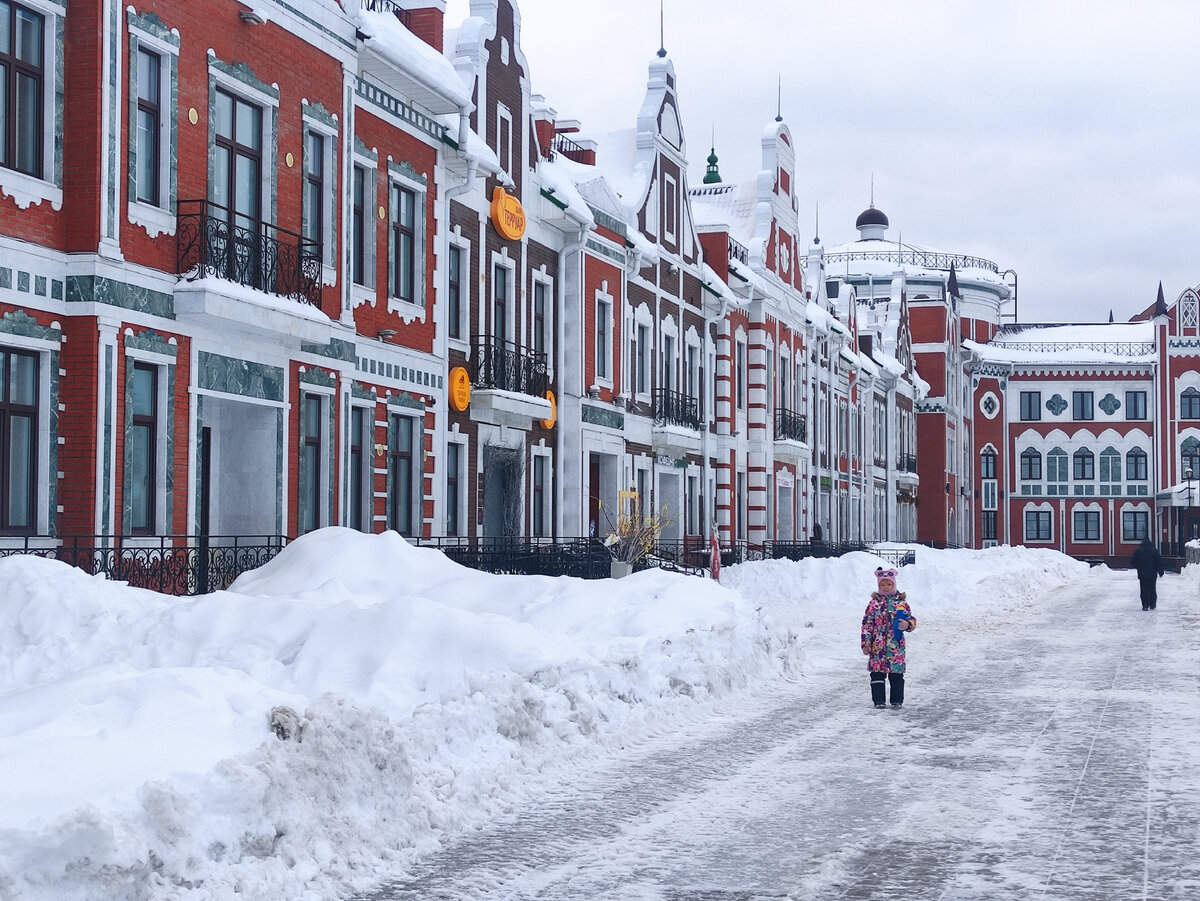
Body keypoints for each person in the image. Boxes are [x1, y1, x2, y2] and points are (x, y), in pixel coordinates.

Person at [861, 566, 917, 709]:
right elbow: (867, 624)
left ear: (894, 584)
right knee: (877, 674)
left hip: (895, 646)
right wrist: (866, 643)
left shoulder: (901, 603)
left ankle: (896, 700)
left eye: (889, 584)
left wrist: (908, 624)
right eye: (883, 584)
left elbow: (911, 619)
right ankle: (879, 700)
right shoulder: (874, 604)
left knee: (896, 674)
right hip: (877, 645)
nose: (886, 587)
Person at [1130, 538, 1165, 610]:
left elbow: (1133, 562)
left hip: (1142, 573)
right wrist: (1161, 571)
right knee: (1152, 588)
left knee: (1144, 589)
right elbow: (1159, 562)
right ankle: (1152, 604)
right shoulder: (1154, 551)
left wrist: (1138, 567)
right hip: (1152, 573)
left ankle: (1145, 605)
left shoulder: (1138, 551)